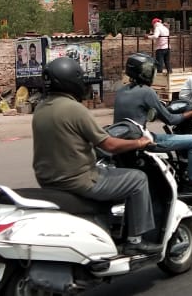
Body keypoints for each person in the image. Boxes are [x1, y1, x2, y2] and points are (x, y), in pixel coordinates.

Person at [32, 57, 162, 255]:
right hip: (79, 180)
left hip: (48, 179)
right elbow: (109, 145)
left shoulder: (40, 109)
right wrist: (139, 142)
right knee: (138, 179)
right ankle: (135, 241)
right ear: (71, 81)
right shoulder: (75, 109)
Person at [114, 53, 192, 193]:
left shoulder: (120, 91)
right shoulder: (147, 92)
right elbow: (171, 119)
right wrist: (191, 113)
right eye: (149, 70)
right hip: (144, 140)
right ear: (144, 72)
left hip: (125, 139)